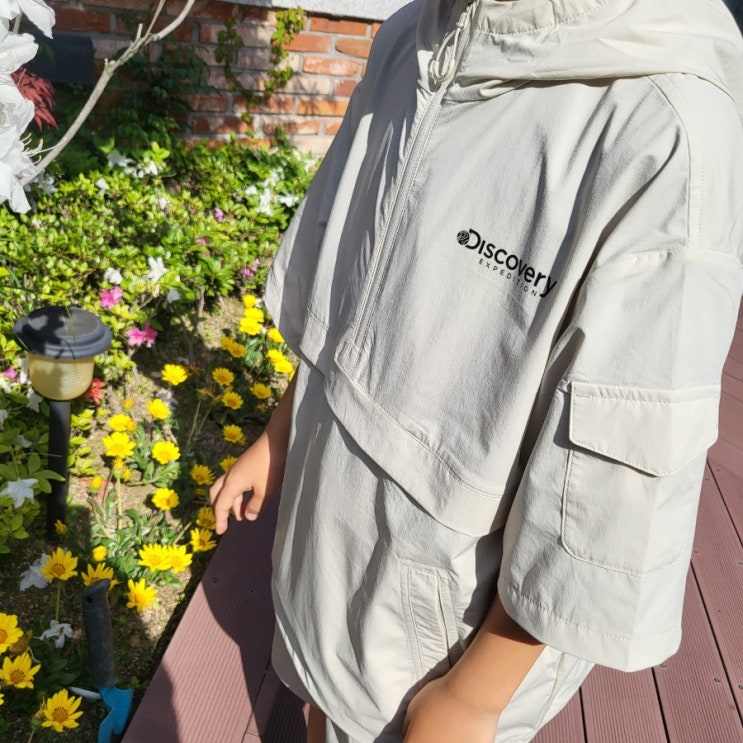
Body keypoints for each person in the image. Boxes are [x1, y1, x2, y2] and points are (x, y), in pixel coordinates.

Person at [210, 1, 743, 741]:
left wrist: (474, 695)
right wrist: (280, 432)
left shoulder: (664, 126)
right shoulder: (413, 37)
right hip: (322, 537)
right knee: (318, 701)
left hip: (441, 636)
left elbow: (619, 474)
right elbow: (343, 274)